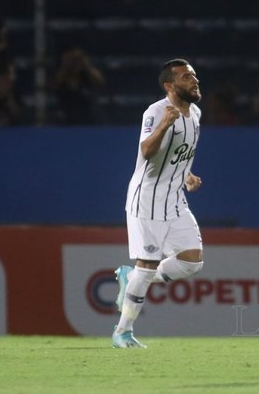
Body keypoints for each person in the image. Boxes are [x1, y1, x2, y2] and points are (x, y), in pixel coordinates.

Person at [112, 59, 205, 348]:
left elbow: (179, 155)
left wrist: (187, 175)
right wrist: (164, 125)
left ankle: (135, 277)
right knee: (148, 265)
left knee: (193, 262)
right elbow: (147, 151)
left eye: (194, 75)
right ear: (170, 86)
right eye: (186, 77)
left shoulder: (196, 113)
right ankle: (123, 332)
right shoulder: (156, 112)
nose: (194, 80)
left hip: (176, 199)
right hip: (148, 201)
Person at [51, 46, 105, 125]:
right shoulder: (62, 75)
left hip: (91, 118)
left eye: (77, 59)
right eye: (72, 59)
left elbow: (100, 82)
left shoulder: (88, 75)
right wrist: (65, 65)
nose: (75, 62)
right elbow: (54, 85)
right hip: (67, 119)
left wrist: (87, 66)